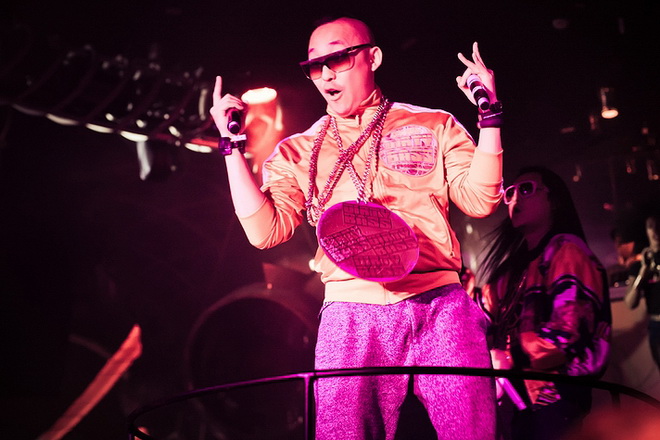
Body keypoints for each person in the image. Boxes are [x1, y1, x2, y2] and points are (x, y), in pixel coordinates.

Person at [211, 16, 503, 440]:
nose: (326, 74)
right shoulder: (298, 152)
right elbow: (264, 232)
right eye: (315, 65)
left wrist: (490, 117)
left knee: (473, 432)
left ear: (373, 57)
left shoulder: (434, 124)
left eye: (338, 59)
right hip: (351, 312)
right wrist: (231, 147)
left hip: (439, 304)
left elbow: (481, 199)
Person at [478, 166, 611, 440]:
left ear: (554, 200)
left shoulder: (567, 251)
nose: (515, 198)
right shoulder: (514, 269)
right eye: (510, 193)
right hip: (517, 400)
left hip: (555, 398)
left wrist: (508, 356)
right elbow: (480, 311)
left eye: (526, 189)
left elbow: (566, 335)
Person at [625, 213, 660, 370]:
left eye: (658, 225)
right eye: (650, 226)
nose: (655, 231)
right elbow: (630, 303)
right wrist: (642, 274)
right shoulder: (639, 264)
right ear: (646, 230)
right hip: (656, 324)